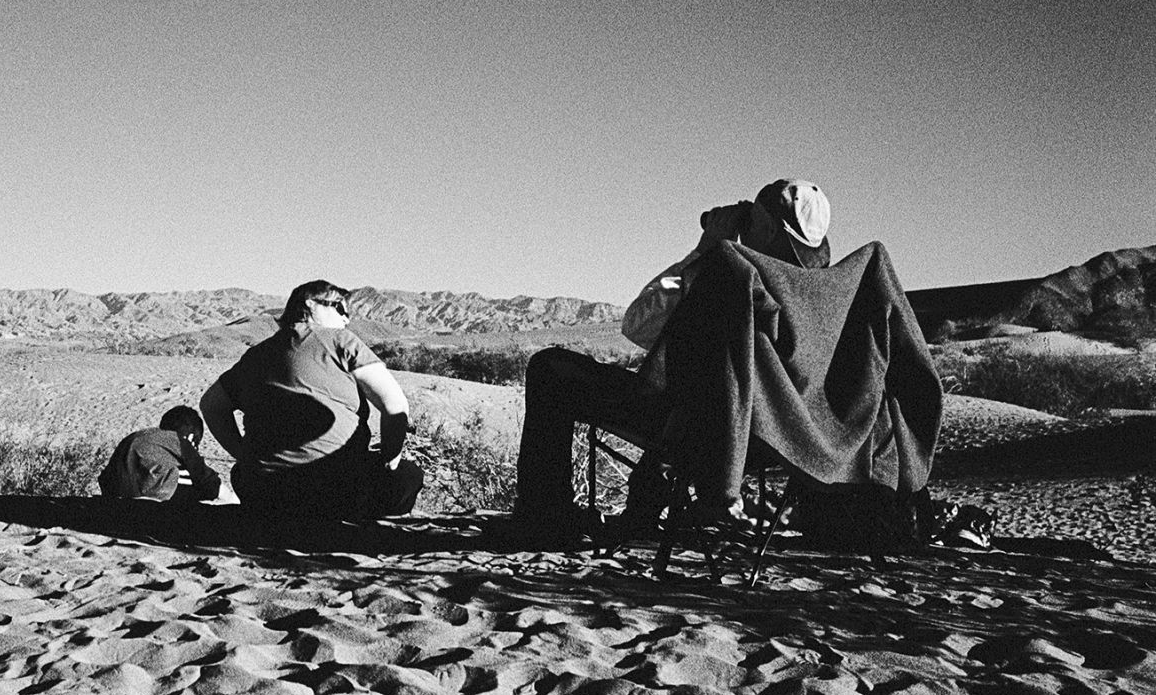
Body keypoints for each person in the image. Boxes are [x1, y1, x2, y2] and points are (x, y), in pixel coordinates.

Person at [500, 179, 833, 543]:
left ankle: (545, 515)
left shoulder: (733, 278)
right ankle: (639, 508)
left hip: (695, 428)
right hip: (770, 440)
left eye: (751, 217)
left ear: (767, 227)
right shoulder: (820, 298)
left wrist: (705, 251)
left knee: (549, 369)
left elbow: (639, 324)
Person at [200, 280, 423, 520]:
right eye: (340, 308)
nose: (346, 319)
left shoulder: (256, 355)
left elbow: (211, 405)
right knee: (408, 475)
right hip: (337, 490)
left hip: (262, 490)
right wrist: (391, 460)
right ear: (310, 305)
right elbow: (395, 405)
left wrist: (244, 455)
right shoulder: (341, 341)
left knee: (241, 473)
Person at [97, 406, 224, 504]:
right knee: (198, 483)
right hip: (152, 499)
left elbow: (104, 478)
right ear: (191, 437)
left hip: (115, 498)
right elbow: (207, 479)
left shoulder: (141, 436)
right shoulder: (177, 440)